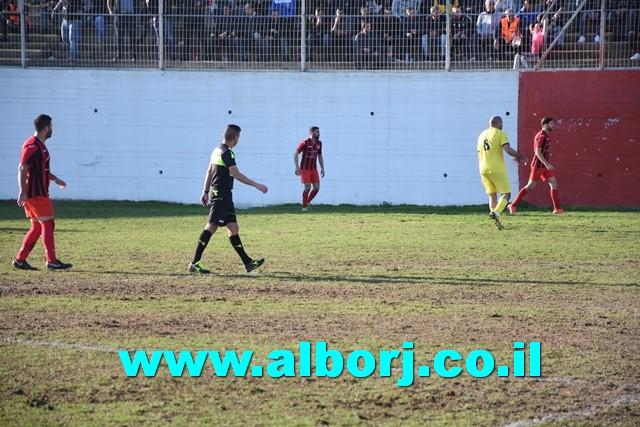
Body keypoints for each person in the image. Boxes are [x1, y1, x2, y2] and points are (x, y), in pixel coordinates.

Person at [189, 124, 268, 274]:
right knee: (211, 227)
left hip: (223, 194)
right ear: (235, 138)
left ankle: (248, 263)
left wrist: (205, 191)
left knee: (233, 227)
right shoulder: (227, 153)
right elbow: (236, 174)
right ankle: (194, 262)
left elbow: (209, 171)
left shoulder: (216, 149)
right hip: (221, 195)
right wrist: (256, 185)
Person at [13, 114, 72, 271]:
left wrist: (55, 179)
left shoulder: (39, 145)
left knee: (37, 228)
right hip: (36, 193)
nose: (52, 130)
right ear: (46, 128)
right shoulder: (32, 145)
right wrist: (22, 192)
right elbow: (22, 167)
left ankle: (20, 260)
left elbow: (40, 170)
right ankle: (51, 261)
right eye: (51, 127)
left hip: (38, 192)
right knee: (48, 223)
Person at [477, 115, 528, 230]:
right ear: (499, 124)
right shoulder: (500, 134)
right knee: (506, 194)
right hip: (497, 169)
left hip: (483, 169)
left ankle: (497, 221)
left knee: (492, 195)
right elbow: (508, 150)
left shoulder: (481, 135)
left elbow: (479, 154)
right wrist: (521, 157)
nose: (503, 125)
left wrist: (481, 171)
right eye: (502, 124)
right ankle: (496, 213)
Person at [509, 117, 564, 214]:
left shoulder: (546, 135)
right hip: (538, 166)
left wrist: (547, 165)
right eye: (551, 124)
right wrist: (547, 164)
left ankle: (556, 209)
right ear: (545, 125)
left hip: (545, 166)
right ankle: (512, 205)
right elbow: (537, 152)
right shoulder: (542, 136)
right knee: (530, 186)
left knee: (554, 183)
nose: (553, 125)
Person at [294, 126, 325, 211]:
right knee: (307, 187)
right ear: (311, 132)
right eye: (317, 132)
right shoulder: (304, 143)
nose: (319, 134)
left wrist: (322, 168)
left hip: (313, 169)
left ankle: (306, 202)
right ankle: (304, 207)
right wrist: (297, 167)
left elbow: (320, 156)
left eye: (319, 132)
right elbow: (295, 154)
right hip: (304, 168)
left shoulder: (319, 143)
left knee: (316, 188)